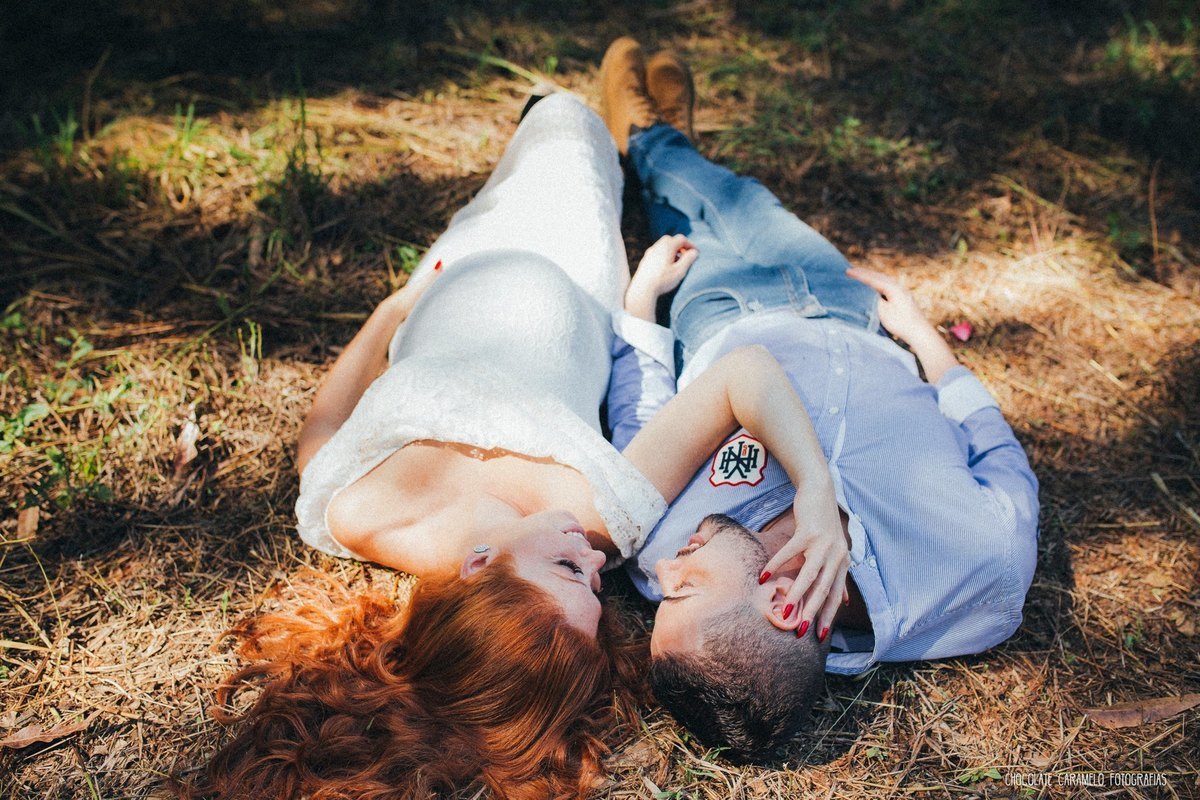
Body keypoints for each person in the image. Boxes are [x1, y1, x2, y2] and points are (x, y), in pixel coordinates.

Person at [185, 92, 839, 800]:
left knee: (535, 136)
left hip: (454, 269)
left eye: (569, 567)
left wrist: (390, 312)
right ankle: (640, 113)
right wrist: (815, 489)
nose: (596, 560)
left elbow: (318, 437)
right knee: (566, 119)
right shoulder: (601, 518)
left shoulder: (362, 515)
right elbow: (744, 377)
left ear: (477, 567)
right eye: (596, 583)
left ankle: (633, 116)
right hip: (577, 259)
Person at [599, 38, 1041, 762]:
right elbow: (1000, 456)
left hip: (720, 312)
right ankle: (656, 136)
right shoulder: (980, 576)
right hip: (848, 307)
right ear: (783, 605)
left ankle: (654, 139)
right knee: (739, 200)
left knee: (709, 208)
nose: (660, 578)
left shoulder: (664, 544)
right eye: (682, 595)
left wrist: (642, 303)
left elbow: (644, 429)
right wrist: (930, 345)